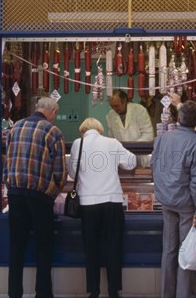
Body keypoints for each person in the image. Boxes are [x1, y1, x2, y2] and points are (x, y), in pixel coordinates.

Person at [3, 96, 67, 298]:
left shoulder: (15, 128)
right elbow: (60, 171)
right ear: (52, 112)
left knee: (16, 248)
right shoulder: (52, 131)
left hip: (15, 194)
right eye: (55, 114)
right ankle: (43, 294)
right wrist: (55, 191)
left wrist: (10, 185)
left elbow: (8, 158)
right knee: (44, 248)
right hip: (40, 196)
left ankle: (14, 294)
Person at [69, 117, 137, 298]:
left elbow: (71, 172)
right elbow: (131, 162)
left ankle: (94, 291)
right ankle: (113, 290)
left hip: (88, 204)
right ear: (100, 129)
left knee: (91, 247)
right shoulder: (112, 142)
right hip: (112, 202)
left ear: (83, 130)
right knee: (113, 246)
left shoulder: (78, 143)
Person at [150, 101, 196, 298]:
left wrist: (161, 193)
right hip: (186, 204)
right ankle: (184, 295)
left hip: (166, 200)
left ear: (178, 118)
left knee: (169, 250)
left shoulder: (162, 138)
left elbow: (154, 167)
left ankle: (167, 294)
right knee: (186, 252)